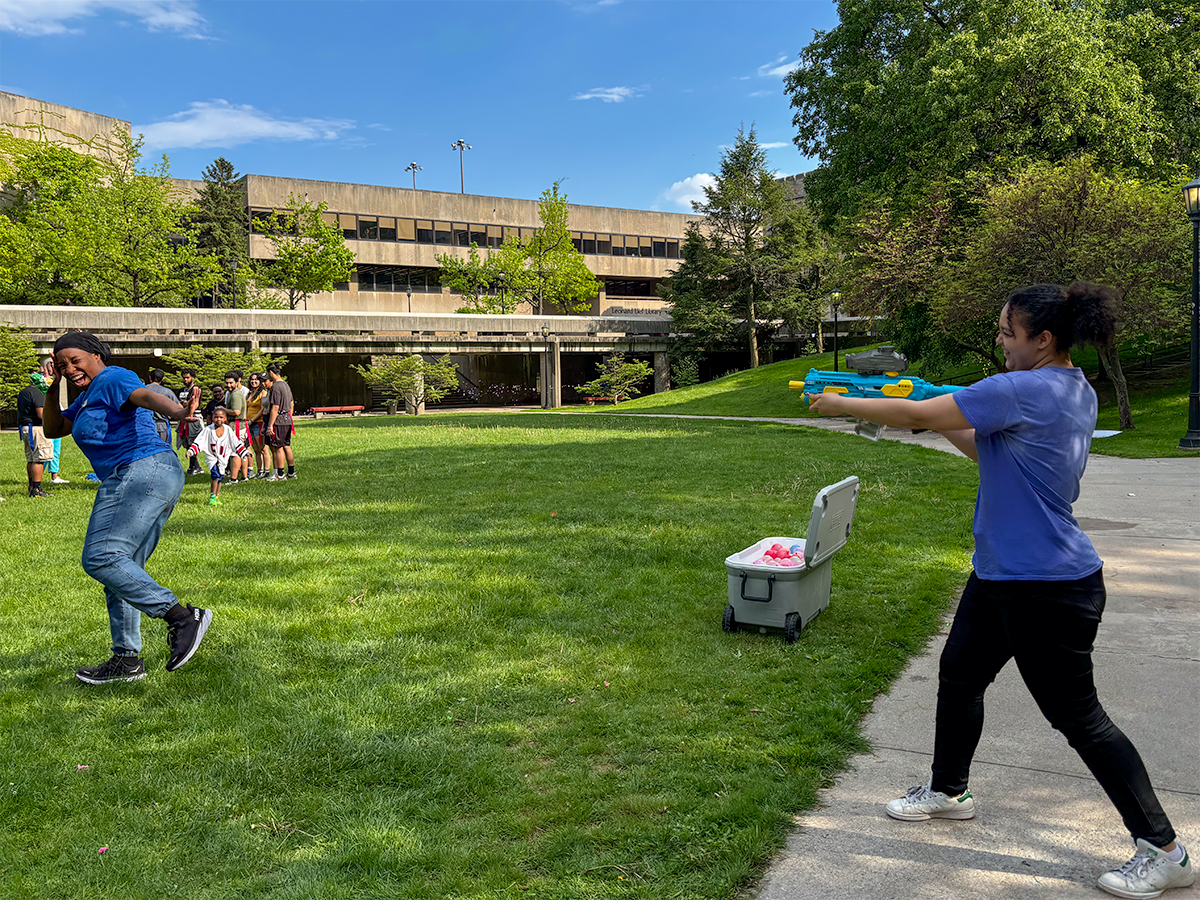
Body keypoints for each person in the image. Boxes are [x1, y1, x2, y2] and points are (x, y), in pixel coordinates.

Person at [807, 282, 1192, 899]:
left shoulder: (1022, 388)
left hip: (1045, 585)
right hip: (1003, 573)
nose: (998, 340)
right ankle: (948, 790)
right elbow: (985, 451)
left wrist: (844, 402)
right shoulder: (1070, 389)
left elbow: (916, 413)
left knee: (1079, 719)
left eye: (1007, 332)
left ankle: (1164, 848)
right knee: (960, 674)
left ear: (1043, 340)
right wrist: (933, 418)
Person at [42, 332, 213, 685]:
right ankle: (126, 660)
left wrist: (181, 411)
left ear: (96, 355)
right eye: (62, 365)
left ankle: (183, 618)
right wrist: (53, 383)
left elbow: (145, 396)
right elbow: (53, 427)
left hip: (139, 471)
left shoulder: (112, 377)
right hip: (152, 474)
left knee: (101, 557)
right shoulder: (87, 397)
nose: (70, 369)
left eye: (75, 360)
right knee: (122, 567)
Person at [187, 406, 248, 506]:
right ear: (212, 418)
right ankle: (212, 496)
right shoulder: (208, 430)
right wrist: (191, 451)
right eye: (216, 417)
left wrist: (244, 452)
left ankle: (217, 496)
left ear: (225, 419)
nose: (218, 419)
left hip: (223, 457)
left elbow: (235, 442)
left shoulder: (228, 430)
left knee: (220, 477)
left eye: (221, 417)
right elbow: (200, 440)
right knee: (215, 476)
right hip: (212, 457)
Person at [17, 371, 52, 497]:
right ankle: (37, 490)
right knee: (39, 459)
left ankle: (31, 487)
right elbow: (40, 413)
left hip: (25, 428)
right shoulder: (37, 393)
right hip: (36, 428)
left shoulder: (24, 392)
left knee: (31, 459)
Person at [40, 358, 70, 485]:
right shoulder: (40, 393)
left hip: (57, 422)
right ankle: (38, 479)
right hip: (44, 427)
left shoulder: (52, 391)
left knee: (55, 452)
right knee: (44, 455)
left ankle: (54, 476)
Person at [264, 362, 296, 481]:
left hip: (279, 420)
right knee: (287, 445)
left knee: (278, 447)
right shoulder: (286, 385)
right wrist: (289, 416)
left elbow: (275, 407)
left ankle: (280, 474)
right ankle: (291, 472)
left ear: (271, 373)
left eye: (267, 373)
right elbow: (292, 403)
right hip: (287, 419)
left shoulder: (276, 387)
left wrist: (270, 425)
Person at [222, 371, 250, 483]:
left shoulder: (236, 395)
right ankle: (244, 477)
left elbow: (236, 411)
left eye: (231, 383)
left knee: (235, 453)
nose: (229, 385)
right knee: (242, 451)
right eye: (227, 383)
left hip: (237, 426)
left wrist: (223, 410)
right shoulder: (233, 393)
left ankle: (234, 478)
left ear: (237, 381)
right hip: (238, 425)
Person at [177, 368, 203, 475]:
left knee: (193, 441)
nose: (185, 380)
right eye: (184, 378)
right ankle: (197, 466)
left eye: (187, 377)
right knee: (185, 442)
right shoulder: (181, 390)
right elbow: (178, 403)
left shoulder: (196, 390)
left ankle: (192, 467)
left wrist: (185, 403)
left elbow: (192, 403)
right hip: (183, 417)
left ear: (193, 377)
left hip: (194, 416)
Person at [145, 368, 177, 447]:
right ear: (162, 379)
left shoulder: (143, 389)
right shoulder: (167, 392)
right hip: (162, 424)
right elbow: (178, 408)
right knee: (164, 449)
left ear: (150, 378)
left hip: (147, 424)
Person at [245, 372, 269, 478]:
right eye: (252, 379)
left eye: (256, 380)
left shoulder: (263, 393)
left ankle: (266, 470)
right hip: (249, 423)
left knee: (263, 448)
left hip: (258, 422)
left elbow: (263, 408)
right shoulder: (250, 393)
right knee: (256, 449)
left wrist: (253, 419)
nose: (253, 381)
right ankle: (260, 470)